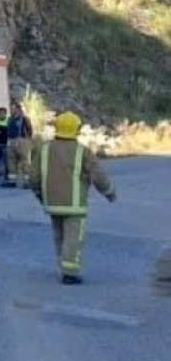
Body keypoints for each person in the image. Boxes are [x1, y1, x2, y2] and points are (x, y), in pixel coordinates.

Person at [30, 111, 116, 284]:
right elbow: (98, 175)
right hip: (75, 205)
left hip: (52, 203)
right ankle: (70, 272)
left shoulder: (44, 149)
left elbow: (34, 177)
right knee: (73, 238)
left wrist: (40, 195)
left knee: (59, 235)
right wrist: (109, 192)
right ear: (75, 130)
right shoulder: (82, 151)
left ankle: (63, 265)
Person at [5, 101, 35, 188]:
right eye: (12, 108)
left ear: (18, 109)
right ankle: (12, 181)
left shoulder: (25, 119)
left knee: (24, 160)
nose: (12, 110)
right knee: (11, 161)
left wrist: (27, 140)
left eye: (14, 108)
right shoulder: (10, 119)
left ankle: (27, 181)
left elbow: (29, 130)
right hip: (11, 141)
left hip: (22, 140)